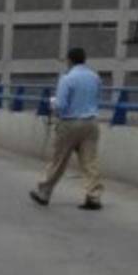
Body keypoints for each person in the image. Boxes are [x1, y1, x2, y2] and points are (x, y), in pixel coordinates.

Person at [30, 47, 104, 210]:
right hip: (91, 122)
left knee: (59, 160)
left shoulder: (67, 78)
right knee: (90, 161)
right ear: (84, 59)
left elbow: (61, 105)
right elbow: (98, 98)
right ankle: (94, 197)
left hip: (70, 123)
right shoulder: (95, 77)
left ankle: (44, 193)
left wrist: (52, 103)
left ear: (69, 60)